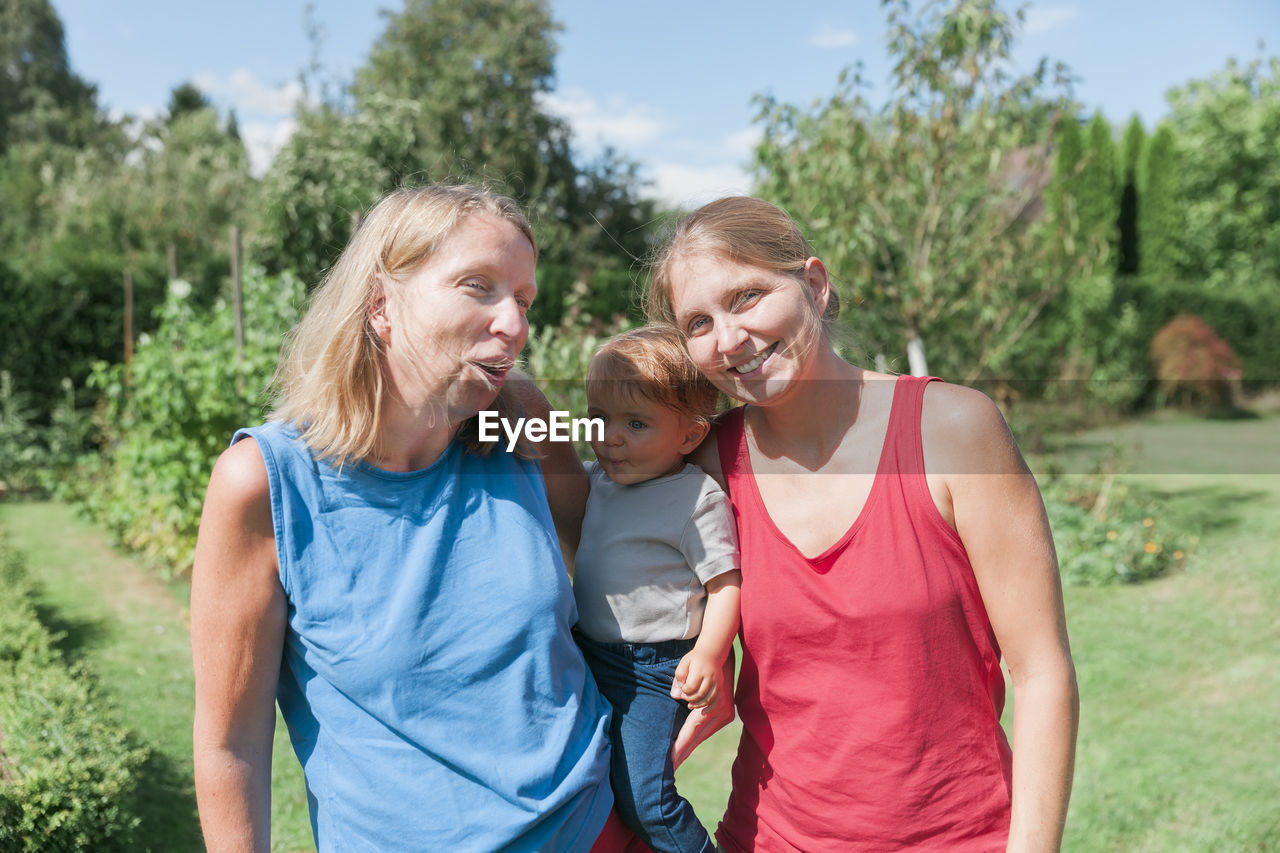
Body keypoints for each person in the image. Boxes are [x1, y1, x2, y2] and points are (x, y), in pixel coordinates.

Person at [190, 184, 649, 852]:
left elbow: (620, 554)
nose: (514, 324)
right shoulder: (264, 483)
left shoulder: (522, 416)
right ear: (381, 304)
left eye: (523, 299)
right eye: (478, 286)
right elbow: (230, 746)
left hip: (594, 831)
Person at [646, 196, 1080, 852]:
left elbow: (1041, 670)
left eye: (748, 297)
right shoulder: (705, 465)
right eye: (698, 321)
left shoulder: (953, 431)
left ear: (814, 286)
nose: (729, 338)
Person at [572, 326, 742, 853]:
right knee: (583, 780)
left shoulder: (694, 498)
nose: (609, 437)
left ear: (690, 436)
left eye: (636, 423)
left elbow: (726, 583)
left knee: (646, 795)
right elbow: (530, 450)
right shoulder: (594, 479)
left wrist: (710, 654)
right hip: (585, 653)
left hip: (654, 670)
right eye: (598, 418)